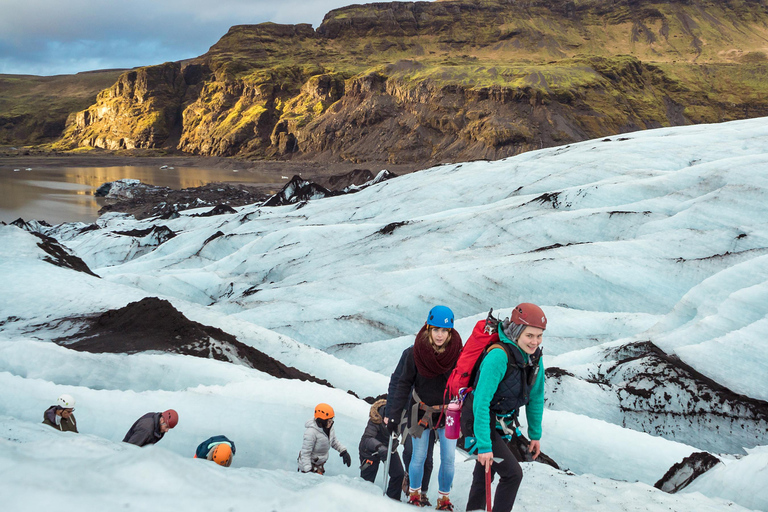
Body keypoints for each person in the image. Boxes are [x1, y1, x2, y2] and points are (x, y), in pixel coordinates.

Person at [465, 303, 547, 512]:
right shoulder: (499, 356)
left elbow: (536, 396)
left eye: (539, 336)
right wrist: (484, 444)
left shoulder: (535, 358)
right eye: (530, 335)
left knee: (485, 472)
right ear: (518, 332)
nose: (535, 342)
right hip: (479, 418)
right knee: (512, 475)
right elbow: (481, 402)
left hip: (503, 420)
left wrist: (535, 434)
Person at [387, 305, 463, 510]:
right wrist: (392, 415)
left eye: (444, 331)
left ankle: (444, 499)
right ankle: (415, 494)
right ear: (429, 329)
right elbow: (403, 383)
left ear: (450, 332)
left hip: (449, 412)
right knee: (418, 456)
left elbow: (466, 383)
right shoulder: (416, 353)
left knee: (448, 458)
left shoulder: (457, 354)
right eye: (436, 330)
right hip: (420, 410)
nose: (440, 335)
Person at [386, 348, 436, 505]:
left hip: (431, 412)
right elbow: (396, 383)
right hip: (408, 410)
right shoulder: (411, 353)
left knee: (427, 457)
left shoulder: (443, 355)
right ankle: (412, 483)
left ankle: (423, 492)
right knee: (411, 449)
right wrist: (390, 412)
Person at [359, 399, 405, 500]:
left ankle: (393, 501)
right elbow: (367, 438)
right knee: (367, 481)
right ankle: (363, 502)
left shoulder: (400, 418)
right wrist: (380, 447)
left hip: (389, 448)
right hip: (370, 450)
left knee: (398, 474)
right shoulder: (376, 417)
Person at [298, 403, 351, 474]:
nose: (331, 423)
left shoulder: (329, 427)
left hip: (319, 463)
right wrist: (308, 471)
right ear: (321, 421)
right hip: (308, 465)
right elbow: (305, 453)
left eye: (332, 420)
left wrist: (343, 451)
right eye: (329, 421)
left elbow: (333, 441)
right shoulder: (311, 433)